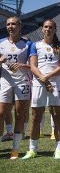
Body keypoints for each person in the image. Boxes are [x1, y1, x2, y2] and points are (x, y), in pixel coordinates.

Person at [22, 19, 60, 160]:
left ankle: (59, 149)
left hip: (55, 84)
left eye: (51, 27)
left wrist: (47, 77)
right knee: (36, 118)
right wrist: (43, 78)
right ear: (42, 29)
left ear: (55, 29)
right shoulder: (35, 45)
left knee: (57, 117)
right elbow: (33, 66)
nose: (48, 29)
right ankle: (32, 149)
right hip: (38, 84)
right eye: (46, 27)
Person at [0, 16, 32, 159]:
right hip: (5, 81)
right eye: (8, 24)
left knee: (19, 115)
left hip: (22, 81)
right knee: (1, 113)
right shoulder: (1, 43)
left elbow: (33, 65)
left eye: (13, 24)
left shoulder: (28, 44)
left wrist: (22, 65)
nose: (10, 26)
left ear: (20, 26)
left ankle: (15, 149)